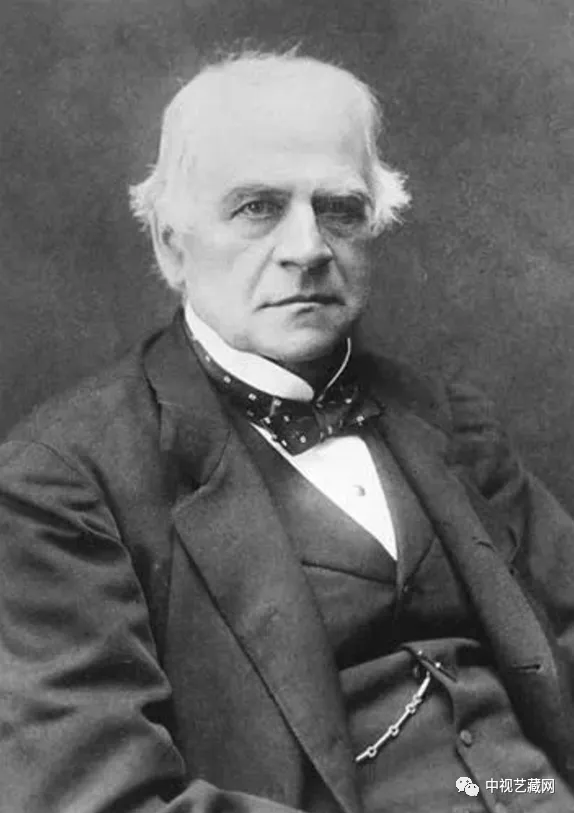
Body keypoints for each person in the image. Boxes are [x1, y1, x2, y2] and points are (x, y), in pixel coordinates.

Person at [0, 49, 574, 813]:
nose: (307, 249)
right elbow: (99, 796)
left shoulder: (449, 420)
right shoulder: (64, 483)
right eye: (257, 207)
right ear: (171, 244)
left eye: (338, 208)